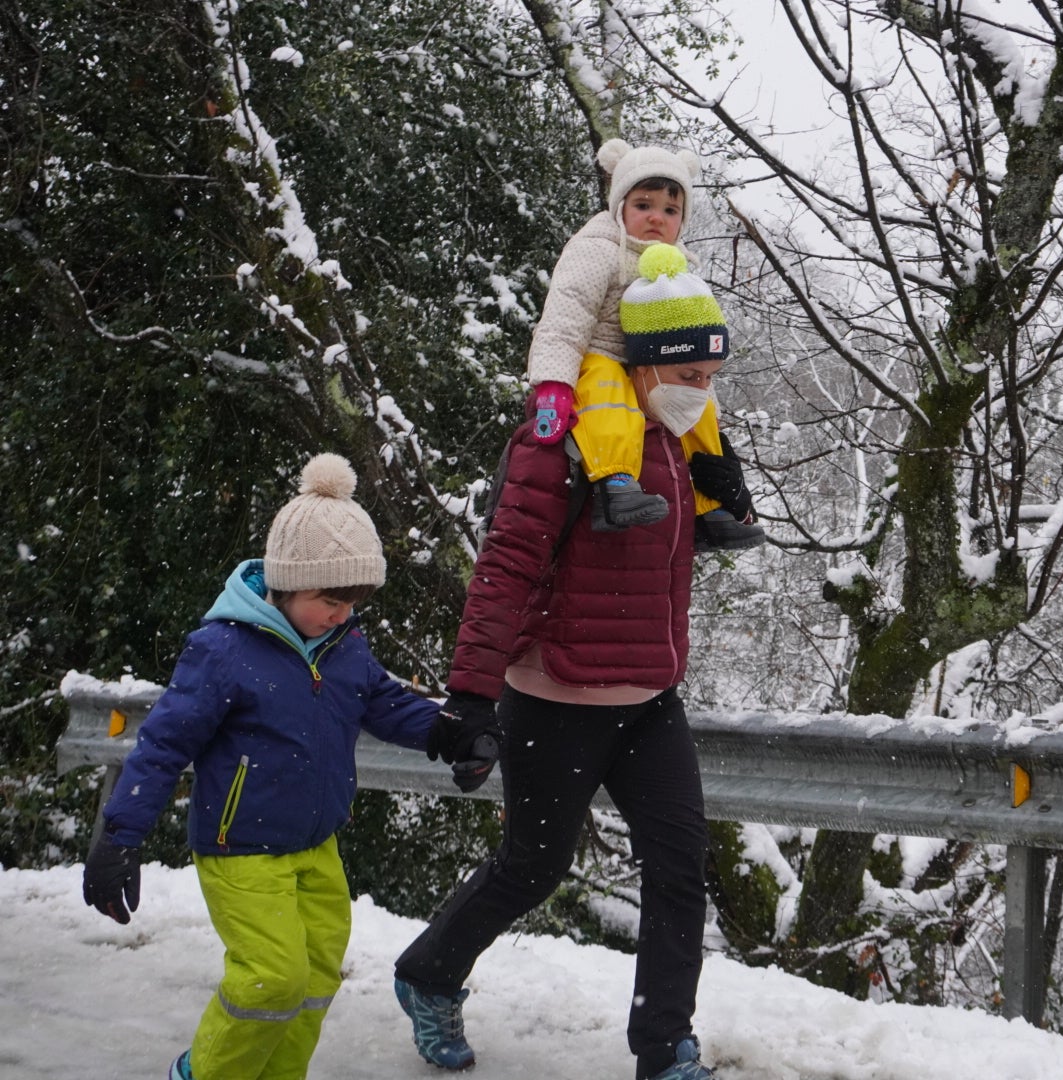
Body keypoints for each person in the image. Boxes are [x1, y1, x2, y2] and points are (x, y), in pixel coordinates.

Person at [391, 276, 759, 1079]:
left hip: (649, 698)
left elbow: (642, 556)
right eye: (690, 376)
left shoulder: (673, 444)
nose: (702, 395)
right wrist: (471, 693)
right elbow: (506, 568)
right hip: (555, 695)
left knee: (678, 870)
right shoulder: (557, 440)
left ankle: (664, 1049)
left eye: (712, 380)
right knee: (533, 865)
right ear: (645, 362)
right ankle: (428, 975)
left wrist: (717, 515)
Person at [81, 454, 499, 1080]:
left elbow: (380, 700)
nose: (341, 614)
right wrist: (120, 833)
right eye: (329, 600)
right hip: (241, 848)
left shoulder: (342, 644)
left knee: (316, 977)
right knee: (271, 980)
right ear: (284, 581)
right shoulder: (222, 649)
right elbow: (164, 744)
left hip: (316, 843)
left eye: (352, 603)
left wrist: (446, 733)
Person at [525, 136, 763, 552]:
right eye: (643, 206)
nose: (657, 218)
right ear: (620, 208)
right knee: (608, 392)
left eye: (670, 210)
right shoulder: (598, 249)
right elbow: (566, 317)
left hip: (660, 370)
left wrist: (713, 415)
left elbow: (697, 354)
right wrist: (554, 383)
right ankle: (617, 482)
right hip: (603, 355)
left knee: (700, 406)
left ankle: (711, 506)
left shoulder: (683, 270)